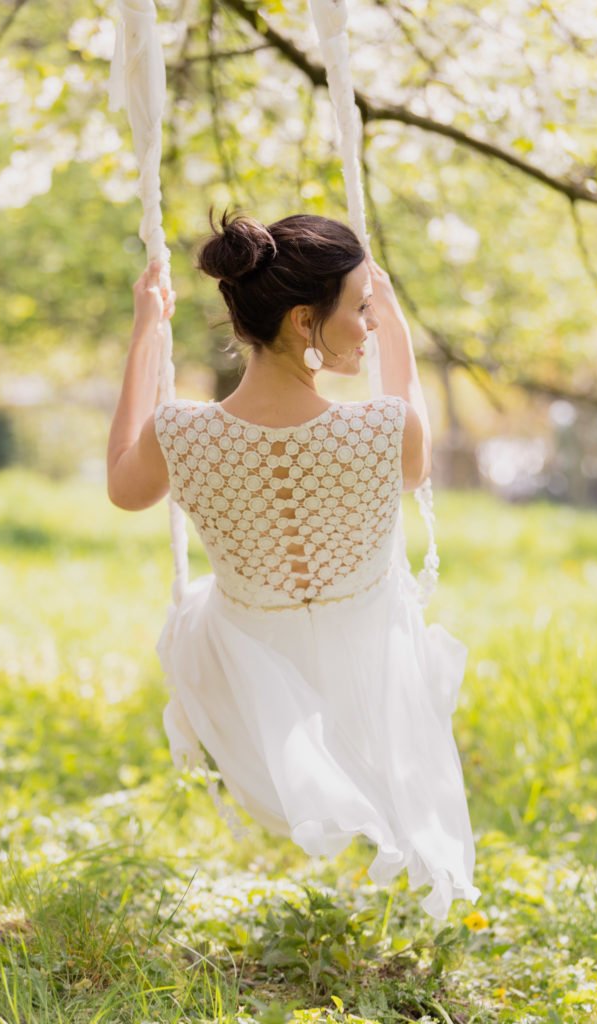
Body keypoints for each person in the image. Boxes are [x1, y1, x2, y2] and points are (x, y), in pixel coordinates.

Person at [106, 209, 481, 921]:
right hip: (367, 658)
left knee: (212, 601)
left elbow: (124, 489)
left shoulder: (179, 432)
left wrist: (145, 334)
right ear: (304, 321)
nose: (368, 325)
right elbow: (412, 439)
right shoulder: (383, 429)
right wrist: (397, 325)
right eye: (360, 310)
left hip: (241, 665)